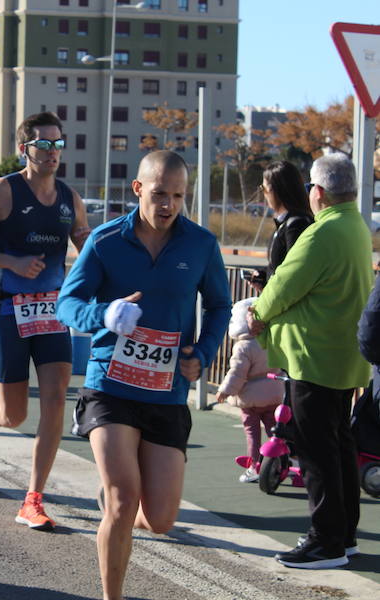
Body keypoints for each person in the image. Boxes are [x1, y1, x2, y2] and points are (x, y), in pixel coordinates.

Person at [55, 150, 231, 600]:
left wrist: (204, 352)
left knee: (162, 519)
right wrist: (106, 314)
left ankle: (119, 503)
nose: (168, 204)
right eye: (159, 194)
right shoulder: (105, 240)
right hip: (110, 383)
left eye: (178, 195)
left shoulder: (200, 244)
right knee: (122, 498)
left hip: (167, 389)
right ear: (137, 190)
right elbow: (67, 304)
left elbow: (218, 306)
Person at [0, 111, 90, 530]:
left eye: (58, 144)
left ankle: (34, 498)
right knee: (13, 415)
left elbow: (86, 244)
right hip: (7, 309)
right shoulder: (2, 192)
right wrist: (10, 261)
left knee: (54, 397)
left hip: (50, 312)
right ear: (24, 148)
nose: (51, 152)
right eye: (43, 144)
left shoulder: (69, 198)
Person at [248, 153, 371, 569]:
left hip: (313, 355)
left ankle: (325, 542)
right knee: (339, 446)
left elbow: (284, 284)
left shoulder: (321, 234)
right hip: (345, 356)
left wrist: (257, 313)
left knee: (317, 451)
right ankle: (345, 535)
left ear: (316, 192)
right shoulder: (357, 226)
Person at [215, 298, 284, 483]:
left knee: (252, 433)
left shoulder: (243, 346)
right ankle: (283, 460)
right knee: (274, 431)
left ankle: (255, 465)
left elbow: (237, 373)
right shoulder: (271, 341)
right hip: (275, 391)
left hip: (251, 398)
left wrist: (224, 391)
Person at [247, 160, 314, 290]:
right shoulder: (287, 223)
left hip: (285, 306)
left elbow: (294, 276)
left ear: (274, 191)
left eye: (263, 188)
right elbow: (280, 268)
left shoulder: (296, 225)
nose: (263, 194)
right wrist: (264, 276)